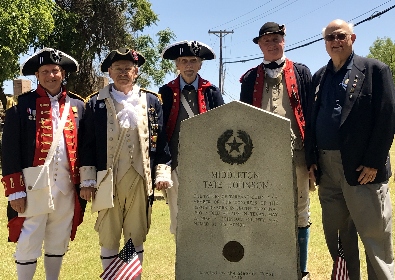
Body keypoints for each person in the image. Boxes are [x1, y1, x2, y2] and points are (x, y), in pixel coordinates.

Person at [305, 19, 395, 279]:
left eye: (340, 36)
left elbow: (387, 117)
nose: (335, 41)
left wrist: (374, 161)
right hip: (327, 170)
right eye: (330, 37)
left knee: (374, 234)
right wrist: (312, 159)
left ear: (352, 38)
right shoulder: (319, 77)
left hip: (362, 167)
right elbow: (312, 119)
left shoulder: (375, 70)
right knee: (339, 236)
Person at [78, 48, 172, 277]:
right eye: (118, 69)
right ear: (109, 71)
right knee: (109, 235)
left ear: (136, 72)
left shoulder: (151, 101)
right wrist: (87, 180)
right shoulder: (95, 102)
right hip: (107, 180)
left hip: (140, 178)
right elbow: (87, 145)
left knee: (135, 234)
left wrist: (162, 173)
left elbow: (161, 142)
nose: (123, 73)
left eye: (127, 69)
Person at [1, 48, 86, 280]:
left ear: (63, 73)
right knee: (30, 236)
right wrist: (15, 190)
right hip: (33, 186)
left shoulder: (78, 105)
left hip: (67, 185)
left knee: (58, 237)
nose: (51, 75)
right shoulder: (20, 107)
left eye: (55, 71)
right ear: (37, 75)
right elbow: (9, 151)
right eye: (45, 71)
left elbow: (86, 147)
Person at [239, 22, 312, 275]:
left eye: (276, 39)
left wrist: (313, 159)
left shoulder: (301, 72)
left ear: (284, 41)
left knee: (301, 212)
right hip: (260, 158)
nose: (272, 44)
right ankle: (265, 266)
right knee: (261, 210)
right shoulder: (249, 78)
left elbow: (311, 117)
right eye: (267, 40)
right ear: (259, 45)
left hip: (298, 154)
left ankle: (299, 270)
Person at [159, 40, 225, 236]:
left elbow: (221, 127)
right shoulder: (165, 92)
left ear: (200, 64)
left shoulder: (211, 92)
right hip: (176, 163)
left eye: (193, 61)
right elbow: (160, 131)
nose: (189, 66)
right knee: (179, 218)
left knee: (208, 217)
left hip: (207, 165)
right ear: (177, 65)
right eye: (184, 61)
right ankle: (184, 264)